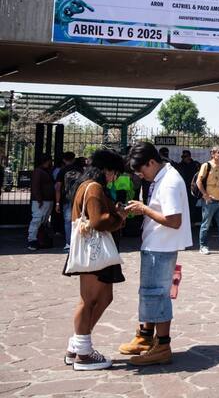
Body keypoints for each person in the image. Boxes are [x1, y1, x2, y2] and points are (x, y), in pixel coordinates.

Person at [120, 142, 193, 365]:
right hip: (156, 244)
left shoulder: (169, 182)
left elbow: (173, 220)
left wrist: (144, 209)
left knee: (157, 294)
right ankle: (145, 337)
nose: (142, 176)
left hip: (161, 246)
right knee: (150, 293)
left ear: (152, 162)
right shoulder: (163, 177)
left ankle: (162, 345)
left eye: (142, 170)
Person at [63, 149, 128, 370]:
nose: (114, 178)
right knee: (88, 300)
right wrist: (119, 217)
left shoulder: (88, 186)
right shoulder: (94, 188)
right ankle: (83, 352)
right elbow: (99, 221)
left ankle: (77, 344)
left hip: (97, 252)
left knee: (104, 297)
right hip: (94, 250)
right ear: (106, 170)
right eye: (114, 173)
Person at [28, 154, 55, 250]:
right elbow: (35, 186)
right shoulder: (39, 171)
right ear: (47, 161)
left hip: (47, 200)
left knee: (43, 221)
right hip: (41, 201)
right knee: (37, 220)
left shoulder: (45, 171)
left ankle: (39, 240)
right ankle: (32, 240)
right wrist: (39, 199)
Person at [55, 152, 78, 250]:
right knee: (78, 220)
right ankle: (77, 242)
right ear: (73, 159)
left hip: (66, 199)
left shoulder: (62, 170)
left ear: (64, 160)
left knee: (67, 222)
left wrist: (57, 203)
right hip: (77, 198)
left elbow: (58, 188)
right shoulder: (80, 169)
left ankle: (68, 243)